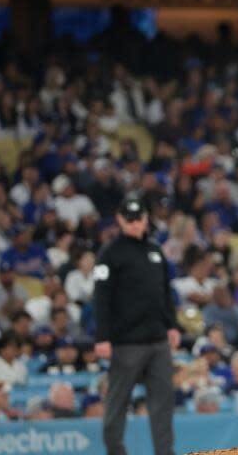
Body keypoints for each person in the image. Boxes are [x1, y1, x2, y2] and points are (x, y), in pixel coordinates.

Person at [94, 194, 180, 455]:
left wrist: (172, 325)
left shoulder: (155, 250)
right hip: (125, 342)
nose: (135, 224)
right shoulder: (109, 253)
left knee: (163, 403)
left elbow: (164, 291)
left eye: (139, 219)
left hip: (157, 340)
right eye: (129, 219)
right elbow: (101, 296)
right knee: (117, 403)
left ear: (146, 219)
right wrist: (102, 337)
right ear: (120, 220)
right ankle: (115, 451)